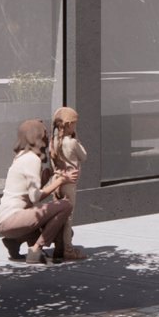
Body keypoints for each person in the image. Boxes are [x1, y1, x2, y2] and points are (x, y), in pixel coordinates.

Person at [0, 118, 77, 264]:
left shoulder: (21, 156)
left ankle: (14, 241)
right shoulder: (32, 159)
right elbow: (35, 197)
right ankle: (36, 249)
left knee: (64, 230)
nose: (47, 137)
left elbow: (26, 193)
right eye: (44, 133)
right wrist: (61, 180)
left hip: (4, 220)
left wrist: (46, 178)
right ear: (37, 136)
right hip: (13, 219)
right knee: (65, 206)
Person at [48, 106, 89, 261]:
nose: (75, 127)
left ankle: (59, 247)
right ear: (68, 125)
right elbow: (84, 156)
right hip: (69, 185)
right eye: (74, 124)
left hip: (57, 182)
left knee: (59, 217)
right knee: (68, 218)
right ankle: (68, 250)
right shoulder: (71, 143)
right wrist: (76, 138)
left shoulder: (54, 142)